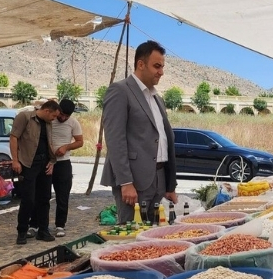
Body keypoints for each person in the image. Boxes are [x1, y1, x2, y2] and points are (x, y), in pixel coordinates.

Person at [101, 40, 178, 223]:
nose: (161, 72)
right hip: (134, 182)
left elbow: (163, 139)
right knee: (132, 237)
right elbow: (115, 140)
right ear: (140, 64)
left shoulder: (157, 98)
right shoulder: (120, 91)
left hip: (159, 178)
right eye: (157, 66)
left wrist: (169, 185)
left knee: (155, 237)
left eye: (162, 66)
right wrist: (125, 183)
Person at [27, 99, 83, 239]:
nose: (63, 118)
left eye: (66, 116)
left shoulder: (73, 123)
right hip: (45, 162)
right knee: (40, 195)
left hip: (63, 163)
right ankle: (34, 224)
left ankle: (60, 225)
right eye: (61, 114)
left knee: (63, 195)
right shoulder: (48, 119)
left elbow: (80, 141)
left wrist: (66, 147)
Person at [10, 100, 60, 245]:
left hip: (45, 164)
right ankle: (22, 231)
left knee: (44, 198)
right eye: (54, 116)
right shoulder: (25, 117)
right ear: (47, 111)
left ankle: (43, 230)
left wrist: (52, 161)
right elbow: (14, 137)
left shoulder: (48, 124)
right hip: (28, 163)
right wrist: (15, 160)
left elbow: (48, 143)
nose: (54, 119)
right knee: (28, 199)